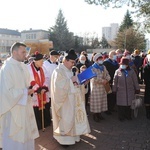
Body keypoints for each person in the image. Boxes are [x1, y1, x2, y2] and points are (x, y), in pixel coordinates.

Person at [0, 42, 39, 150]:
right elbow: (6, 93)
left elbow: (25, 84)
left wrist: (30, 88)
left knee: (27, 136)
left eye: (25, 52)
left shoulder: (23, 66)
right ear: (14, 52)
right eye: (23, 52)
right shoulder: (7, 68)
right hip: (13, 110)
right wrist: (25, 92)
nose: (25, 54)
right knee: (15, 140)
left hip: (25, 107)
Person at [51, 49, 90, 146]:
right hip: (65, 102)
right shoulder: (58, 71)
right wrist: (70, 81)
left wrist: (83, 83)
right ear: (65, 60)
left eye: (74, 62)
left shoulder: (73, 70)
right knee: (66, 119)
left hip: (75, 100)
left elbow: (76, 83)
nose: (73, 64)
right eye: (72, 62)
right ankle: (64, 140)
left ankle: (75, 136)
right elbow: (58, 87)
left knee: (74, 118)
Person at [28, 51, 50, 130]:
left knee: (45, 108)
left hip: (43, 91)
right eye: (41, 61)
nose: (42, 63)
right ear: (35, 61)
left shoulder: (43, 68)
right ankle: (37, 125)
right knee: (35, 110)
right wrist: (37, 89)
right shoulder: (28, 69)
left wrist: (44, 87)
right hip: (34, 93)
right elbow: (29, 81)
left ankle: (46, 123)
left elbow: (47, 78)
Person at [113, 57, 140, 121]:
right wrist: (114, 89)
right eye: (122, 64)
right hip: (120, 91)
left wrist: (137, 88)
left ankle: (128, 116)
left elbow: (135, 80)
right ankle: (121, 117)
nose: (123, 65)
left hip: (130, 91)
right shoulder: (117, 71)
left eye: (124, 64)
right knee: (121, 106)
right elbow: (115, 81)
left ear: (127, 65)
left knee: (129, 105)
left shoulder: (131, 71)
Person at [90, 53, 111, 122]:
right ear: (96, 60)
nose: (101, 60)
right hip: (96, 88)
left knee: (101, 102)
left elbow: (108, 75)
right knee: (96, 103)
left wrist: (107, 79)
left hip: (103, 88)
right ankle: (95, 115)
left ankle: (99, 114)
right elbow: (94, 79)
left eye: (101, 59)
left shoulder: (103, 67)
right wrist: (103, 81)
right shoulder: (92, 68)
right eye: (99, 59)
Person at [103, 50, 119, 114]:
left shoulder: (115, 62)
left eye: (115, 54)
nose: (116, 56)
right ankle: (107, 109)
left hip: (115, 81)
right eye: (114, 54)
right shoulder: (106, 63)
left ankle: (112, 107)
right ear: (110, 55)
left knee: (113, 96)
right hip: (108, 81)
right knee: (108, 96)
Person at [144, 54, 150, 119]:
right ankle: (147, 113)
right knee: (148, 101)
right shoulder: (146, 67)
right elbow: (145, 77)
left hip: (148, 85)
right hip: (148, 86)